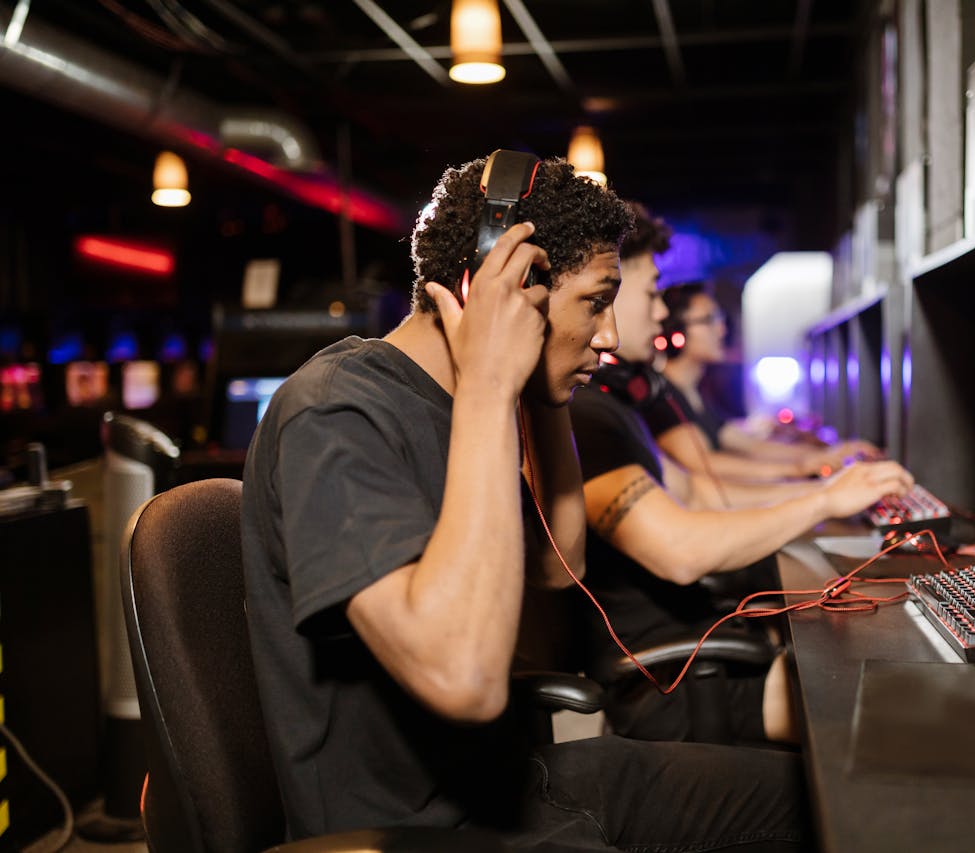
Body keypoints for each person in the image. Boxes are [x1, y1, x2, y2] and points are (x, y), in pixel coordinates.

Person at [241, 155, 811, 850]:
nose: (608, 338)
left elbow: (557, 563)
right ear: (504, 288)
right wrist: (490, 378)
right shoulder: (337, 412)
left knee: (814, 804)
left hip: (518, 782)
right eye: (596, 300)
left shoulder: (463, 403)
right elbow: (465, 679)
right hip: (423, 831)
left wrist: (542, 397)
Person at [569, 203, 916, 745]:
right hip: (673, 686)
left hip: (703, 646)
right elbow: (680, 552)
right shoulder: (587, 417)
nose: (662, 315)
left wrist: (820, 485)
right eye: (653, 292)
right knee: (891, 701)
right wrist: (821, 499)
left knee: (892, 651)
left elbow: (702, 490)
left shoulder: (613, 412)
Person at [652, 282, 882, 483]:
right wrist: (800, 469)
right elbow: (704, 465)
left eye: (720, 318)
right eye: (709, 319)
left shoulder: (692, 393)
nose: (721, 329)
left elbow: (749, 445)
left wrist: (827, 454)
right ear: (676, 332)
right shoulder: (662, 395)